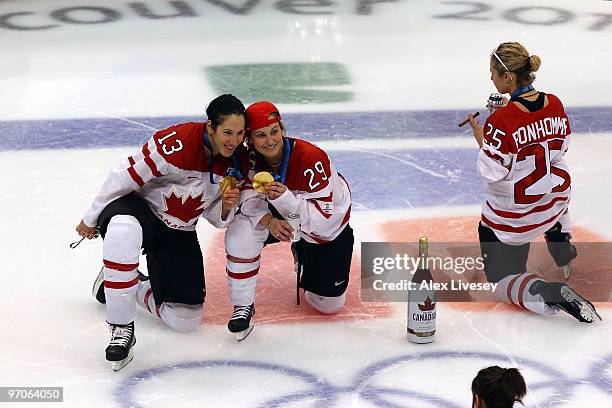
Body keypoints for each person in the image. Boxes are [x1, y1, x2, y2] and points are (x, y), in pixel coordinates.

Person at [75, 94, 248, 370]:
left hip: (179, 229)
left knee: (186, 320)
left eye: (240, 133)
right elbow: (124, 174)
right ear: (210, 127)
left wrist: (226, 208)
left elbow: (215, 218)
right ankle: (121, 329)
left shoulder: (238, 162)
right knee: (122, 231)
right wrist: (91, 216)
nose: (234, 140)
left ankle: (120, 284)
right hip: (139, 210)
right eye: (227, 132)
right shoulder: (176, 143)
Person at [466, 42, 600, 323]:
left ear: (508, 78)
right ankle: (560, 242)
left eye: (493, 72)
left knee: (503, 282)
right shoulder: (555, 102)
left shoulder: (501, 119)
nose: (490, 78)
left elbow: (491, 171)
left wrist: (484, 138)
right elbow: (559, 149)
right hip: (553, 206)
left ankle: (545, 291)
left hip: (515, 222)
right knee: (554, 180)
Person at [223, 101, 354, 338]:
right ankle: (242, 305)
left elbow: (325, 222)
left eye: (274, 131)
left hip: (325, 227)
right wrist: (269, 221)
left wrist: (285, 200)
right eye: (261, 135)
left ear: (282, 129)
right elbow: (247, 201)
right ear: (250, 139)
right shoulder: (248, 159)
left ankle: (301, 249)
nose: (270, 140)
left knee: (328, 305)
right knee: (241, 228)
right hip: (282, 216)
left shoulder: (310, 159)